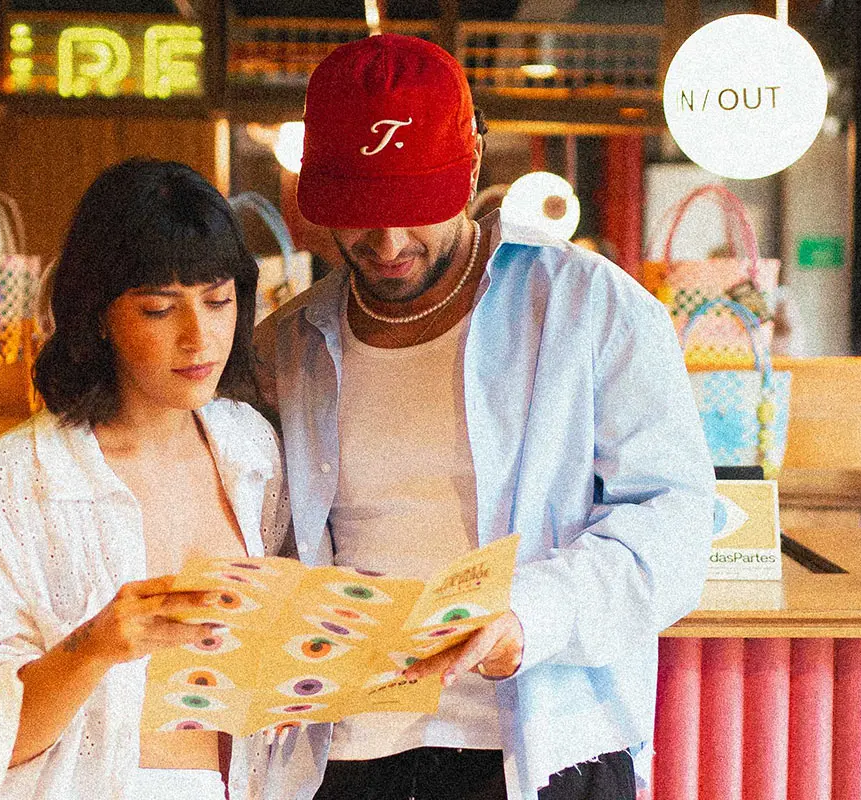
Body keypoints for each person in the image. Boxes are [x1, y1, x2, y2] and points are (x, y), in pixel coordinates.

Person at [256, 34, 717, 800]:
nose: (389, 243)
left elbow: (675, 523)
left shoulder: (590, 309)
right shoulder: (288, 345)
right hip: (339, 752)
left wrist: (530, 615)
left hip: (543, 742)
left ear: (472, 163)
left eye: (415, 209)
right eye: (361, 215)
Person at [0, 159, 319, 800]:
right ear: (100, 315)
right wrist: (94, 646)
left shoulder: (252, 448)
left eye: (218, 302)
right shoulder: (16, 481)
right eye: (160, 310)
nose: (199, 337)